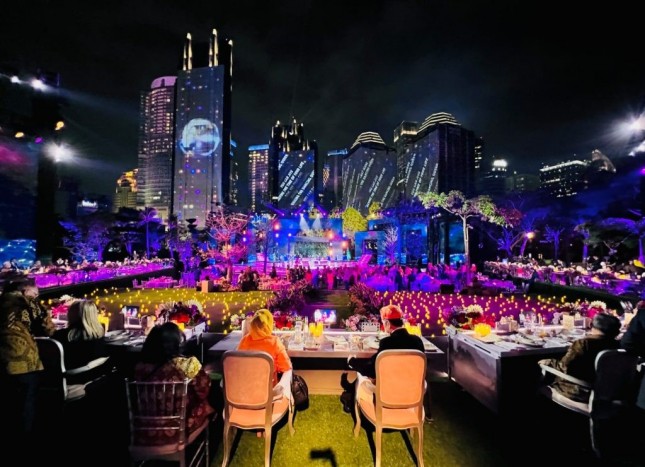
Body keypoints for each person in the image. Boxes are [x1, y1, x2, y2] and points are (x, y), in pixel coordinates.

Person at [134, 322, 215, 445]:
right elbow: (204, 390)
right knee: (209, 401)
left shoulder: (140, 368)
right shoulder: (187, 365)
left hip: (146, 429)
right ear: (176, 343)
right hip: (178, 427)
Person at [0, 278, 53, 452]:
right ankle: (23, 448)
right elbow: (47, 328)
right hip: (22, 363)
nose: (37, 297)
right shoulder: (26, 302)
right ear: (25, 291)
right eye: (35, 294)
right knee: (25, 406)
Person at [539, 312, 621, 403]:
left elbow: (565, 367)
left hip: (581, 391)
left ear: (592, 326)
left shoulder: (584, 343)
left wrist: (548, 362)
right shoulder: (618, 345)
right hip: (609, 392)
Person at [347, 304, 424, 380]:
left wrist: (352, 361)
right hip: (414, 388)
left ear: (387, 323)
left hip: (389, 388)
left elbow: (372, 371)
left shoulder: (387, 342)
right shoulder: (417, 340)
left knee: (362, 380)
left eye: (383, 322)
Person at [237, 308, 292, 386]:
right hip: (268, 391)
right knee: (289, 372)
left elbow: (238, 364)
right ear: (268, 324)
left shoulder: (245, 340)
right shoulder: (275, 342)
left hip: (246, 389)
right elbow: (285, 367)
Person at [52, 299, 108, 371]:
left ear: (71, 314)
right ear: (94, 315)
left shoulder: (60, 335)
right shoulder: (100, 333)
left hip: (71, 377)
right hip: (97, 374)